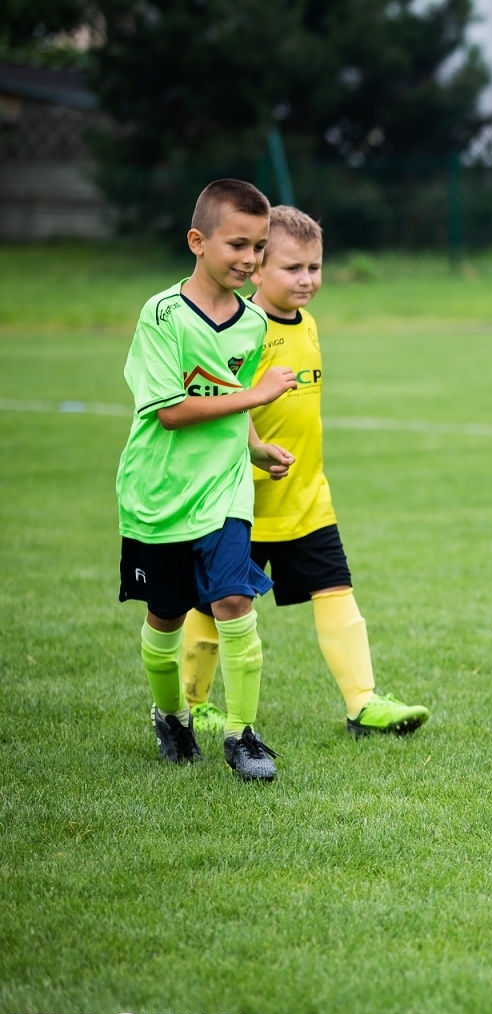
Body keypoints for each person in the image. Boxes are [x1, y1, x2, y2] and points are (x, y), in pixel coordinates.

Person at [180, 206, 431, 737]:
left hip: (307, 496)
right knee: (211, 604)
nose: (307, 280)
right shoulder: (241, 330)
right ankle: (194, 704)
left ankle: (362, 703)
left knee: (336, 590)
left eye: (314, 268)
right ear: (258, 268)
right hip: (239, 501)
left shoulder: (310, 325)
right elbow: (224, 404)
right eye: (293, 269)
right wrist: (253, 452)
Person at [116, 178, 297, 782]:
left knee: (233, 601)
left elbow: (228, 399)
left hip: (224, 491)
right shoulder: (162, 315)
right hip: (159, 492)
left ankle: (242, 735)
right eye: (237, 245)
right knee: (165, 615)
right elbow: (171, 411)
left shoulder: (250, 323)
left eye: (259, 247)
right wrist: (259, 393)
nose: (250, 260)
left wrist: (255, 446)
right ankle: (170, 716)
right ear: (198, 241)